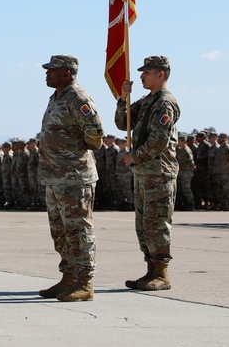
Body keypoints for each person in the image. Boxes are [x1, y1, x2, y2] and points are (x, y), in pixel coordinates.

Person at [37, 54, 104, 302]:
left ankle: (85, 282)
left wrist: (73, 154)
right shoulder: (57, 97)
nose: (47, 73)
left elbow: (96, 133)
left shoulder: (78, 97)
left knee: (78, 230)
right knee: (61, 231)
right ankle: (68, 277)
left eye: (52, 70)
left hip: (74, 177)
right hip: (54, 177)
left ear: (66, 72)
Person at [116, 55, 181, 292]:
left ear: (160, 74)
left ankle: (162, 274)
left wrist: (135, 156)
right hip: (144, 173)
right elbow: (123, 123)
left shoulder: (165, 103)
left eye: (147, 72)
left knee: (157, 224)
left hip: (158, 173)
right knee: (143, 225)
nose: (141, 76)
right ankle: (150, 271)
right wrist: (123, 98)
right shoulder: (147, 101)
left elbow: (159, 141)